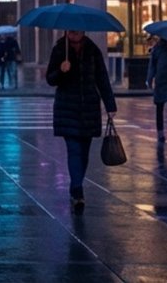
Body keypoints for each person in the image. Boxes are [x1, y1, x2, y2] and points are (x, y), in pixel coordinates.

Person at [45, 29, 117, 211]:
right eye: (71, 32)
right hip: (67, 108)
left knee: (84, 152)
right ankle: (78, 191)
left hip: (89, 108)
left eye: (77, 32)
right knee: (74, 150)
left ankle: (75, 185)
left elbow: (102, 78)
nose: (74, 34)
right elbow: (50, 79)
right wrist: (61, 71)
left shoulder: (93, 50)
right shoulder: (60, 50)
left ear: (83, 32)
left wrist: (110, 105)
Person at [150, 35, 167, 141]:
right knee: (160, 109)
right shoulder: (158, 49)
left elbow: (152, 66)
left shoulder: (158, 49)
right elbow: (152, 66)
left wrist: (149, 79)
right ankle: (160, 133)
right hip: (165, 82)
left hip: (165, 82)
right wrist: (149, 78)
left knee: (160, 109)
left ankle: (160, 133)